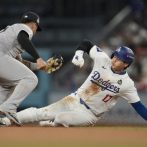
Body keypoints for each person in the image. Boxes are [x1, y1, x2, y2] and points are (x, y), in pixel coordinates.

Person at [1, 39, 147, 127]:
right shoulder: (103, 59)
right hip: (74, 99)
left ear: (126, 64)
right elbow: (85, 43)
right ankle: (6, 122)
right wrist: (79, 54)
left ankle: (52, 125)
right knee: (42, 112)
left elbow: (139, 107)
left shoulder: (127, 84)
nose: (114, 59)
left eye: (119, 58)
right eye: (115, 55)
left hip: (89, 114)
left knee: (60, 118)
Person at [0, 12, 47, 126]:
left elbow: (18, 65)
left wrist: (39, 66)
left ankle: (5, 108)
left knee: (10, 83)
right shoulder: (24, 29)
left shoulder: (12, 34)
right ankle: (9, 108)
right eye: (36, 28)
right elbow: (23, 38)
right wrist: (38, 59)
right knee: (31, 79)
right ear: (34, 25)